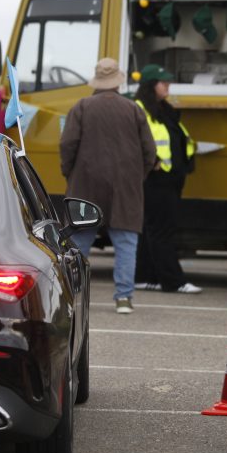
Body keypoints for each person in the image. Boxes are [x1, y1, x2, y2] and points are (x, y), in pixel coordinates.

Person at [59, 58, 157, 314]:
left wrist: (70, 174)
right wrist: (138, 177)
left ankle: (73, 297)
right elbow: (150, 151)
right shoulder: (134, 109)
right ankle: (123, 298)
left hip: (86, 184)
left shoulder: (81, 107)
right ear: (117, 81)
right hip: (126, 186)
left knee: (80, 241)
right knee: (125, 243)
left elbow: (67, 145)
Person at [132, 64, 202, 294]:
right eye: (164, 83)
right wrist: (152, 164)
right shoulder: (140, 109)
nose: (168, 86)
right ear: (151, 85)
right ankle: (174, 281)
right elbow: (136, 142)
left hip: (170, 179)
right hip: (155, 179)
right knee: (162, 231)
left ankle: (143, 276)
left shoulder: (163, 109)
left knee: (151, 229)